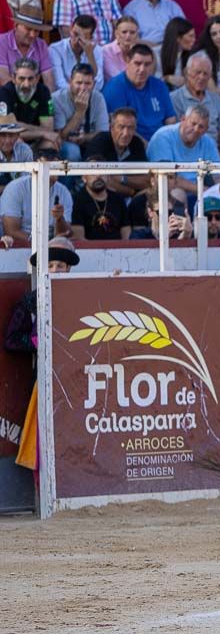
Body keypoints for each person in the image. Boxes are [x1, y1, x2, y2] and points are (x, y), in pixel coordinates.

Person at [5, 236, 78, 474]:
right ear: (43, 268)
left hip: (77, 379)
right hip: (44, 379)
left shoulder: (80, 296)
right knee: (44, 439)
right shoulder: (31, 301)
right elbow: (12, 339)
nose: (55, 270)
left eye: (60, 266)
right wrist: (38, 341)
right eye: (51, 265)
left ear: (68, 269)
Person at [101, 42, 176, 140]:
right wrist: (147, 147)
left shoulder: (159, 85)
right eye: (137, 63)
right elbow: (120, 127)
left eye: (147, 64)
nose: (142, 69)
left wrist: (165, 141)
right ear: (127, 61)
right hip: (132, 142)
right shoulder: (114, 88)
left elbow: (170, 118)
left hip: (160, 141)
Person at [146, 105, 220, 202]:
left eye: (201, 127)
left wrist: (218, 190)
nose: (196, 129)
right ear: (183, 119)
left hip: (202, 193)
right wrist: (205, 191)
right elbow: (168, 179)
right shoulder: (163, 137)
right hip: (171, 191)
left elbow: (218, 175)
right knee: (177, 194)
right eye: (193, 124)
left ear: (206, 129)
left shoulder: (208, 142)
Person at [0, 147, 73, 242]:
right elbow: (11, 232)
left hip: (51, 245)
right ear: (32, 169)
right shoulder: (15, 188)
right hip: (19, 246)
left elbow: (66, 233)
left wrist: (59, 219)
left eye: (54, 169)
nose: (49, 173)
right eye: (44, 168)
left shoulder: (63, 191)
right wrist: (41, 244)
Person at [84, 107, 149, 211]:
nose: (126, 133)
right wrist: (131, 191)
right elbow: (100, 180)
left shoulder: (137, 143)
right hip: (98, 197)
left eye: (130, 128)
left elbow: (146, 180)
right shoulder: (99, 142)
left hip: (132, 199)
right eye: (121, 127)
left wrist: (122, 178)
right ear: (111, 127)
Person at [0, 57, 58, 152]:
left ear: (37, 78)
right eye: (21, 79)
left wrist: (19, 126)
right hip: (14, 141)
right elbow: (8, 131)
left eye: (30, 79)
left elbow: (48, 128)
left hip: (37, 142)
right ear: (13, 78)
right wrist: (41, 132)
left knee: (52, 142)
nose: (26, 84)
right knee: (18, 142)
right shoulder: (5, 92)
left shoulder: (43, 91)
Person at [53, 63, 108, 161]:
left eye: (87, 83)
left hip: (90, 141)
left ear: (94, 84)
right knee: (72, 151)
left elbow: (103, 133)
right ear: (70, 82)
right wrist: (80, 112)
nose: (83, 88)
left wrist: (85, 138)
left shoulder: (98, 98)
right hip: (65, 143)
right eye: (79, 83)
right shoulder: (57, 99)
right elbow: (60, 135)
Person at [169, 54, 220, 146]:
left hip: (214, 149)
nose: (201, 77)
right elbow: (176, 132)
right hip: (188, 148)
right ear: (186, 72)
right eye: (197, 72)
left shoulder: (216, 99)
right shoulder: (174, 98)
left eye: (205, 74)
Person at [0, 4, 56, 90]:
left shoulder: (41, 45)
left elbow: (49, 81)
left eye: (36, 31)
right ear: (15, 26)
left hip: (32, 97)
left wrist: (48, 100)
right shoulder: (2, 42)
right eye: (28, 29)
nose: (32, 35)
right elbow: (4, 79)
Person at [72, 163, 130, 239]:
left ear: (108, 177)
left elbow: (126, 233)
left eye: (102, 172)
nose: (98, 176)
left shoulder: (118, 199)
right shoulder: (77, 200)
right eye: (93, 172)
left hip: (118, 249)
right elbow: (78, 238)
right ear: (84, 177)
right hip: (89, 249)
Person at [50, 13, 104, 92]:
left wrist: (90, 55)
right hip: (65, 97)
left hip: (89, 96)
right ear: (71, 29)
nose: (77, 41)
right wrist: (82, 89)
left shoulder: (97, 50)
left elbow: (99, 84)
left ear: (90, 38)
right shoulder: (56, 49)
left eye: (84, 37)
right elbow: (59, 83)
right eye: (75, 34)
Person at [52, 0, 123, 45]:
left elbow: (119, 26)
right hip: (81, 53)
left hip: (109, 53)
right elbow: (66, 33)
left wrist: (110, 49)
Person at [120, 0, 184, 46]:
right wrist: (153, 46)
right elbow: (130, 38)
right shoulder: (131, 9)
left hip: (172, 48)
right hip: (147, 50)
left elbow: (184, 29)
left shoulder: (171, 5)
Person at [156, 16, 194, 89]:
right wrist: (167, 78)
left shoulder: (191, 56)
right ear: (178, 38)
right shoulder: (156, 54)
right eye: (191, 36)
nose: (194, 40)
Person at [99, 14, 139, 82]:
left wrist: (134, 54)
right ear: (116, 34)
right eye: (124, 32)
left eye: (132, 32)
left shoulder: (141, 52)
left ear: (137, 35)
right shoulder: (106, 51)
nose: (128, 36)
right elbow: (116, 78)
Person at [0, 122, 34, 196]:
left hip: (19, 199)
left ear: (17, 135)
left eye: (11, 135)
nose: (7, 140)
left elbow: (27, 185)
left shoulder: (24, 150)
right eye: (2, 135)